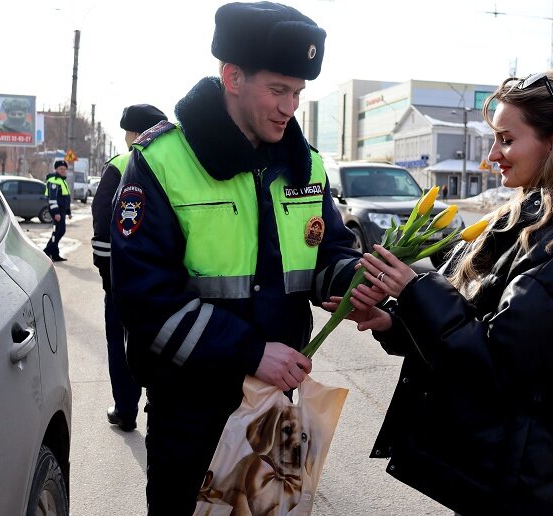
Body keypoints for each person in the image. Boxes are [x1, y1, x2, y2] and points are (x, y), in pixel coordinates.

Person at [338, 71, 553, 514]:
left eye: (507, 140)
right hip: (505, 470)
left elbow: (496, 362)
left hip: (529, 486)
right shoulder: (530, 219)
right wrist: (395, 322)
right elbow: (477, 319)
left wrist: (415, 290)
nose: (492, 155)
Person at [109, 3, 359, 513]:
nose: (289, 107)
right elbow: (143, 299)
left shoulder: (306, 164)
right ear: (232, 77)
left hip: (275, 406)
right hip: (190, 414)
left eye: (298, 93)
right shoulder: (160, 162)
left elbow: (326, 252)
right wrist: (250, 351)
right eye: (278, 90)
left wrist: (354, 280)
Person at [92, 104, 168, 432]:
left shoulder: (122, 164)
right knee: (165, 341)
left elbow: (102, 224)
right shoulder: (179, 164)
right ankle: (159, 404)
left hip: (124, 279)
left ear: (135, 134)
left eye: (127, 132)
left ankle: (125, 409)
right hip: (168, 279)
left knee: (120, 342)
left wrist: (109, 279)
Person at [43, 160, 72, 262]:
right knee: (58, 231)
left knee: (59, 231)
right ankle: (47, 251)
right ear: (56, 169)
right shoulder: (54, 181)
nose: (63, 170)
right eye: (61, 169)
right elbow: (52, 199)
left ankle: (54, 254)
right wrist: (56, 213)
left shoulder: (62, 181)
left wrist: (68, 212)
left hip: (61, 211)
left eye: (64, 169)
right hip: (57, 211)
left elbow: (65, 198)